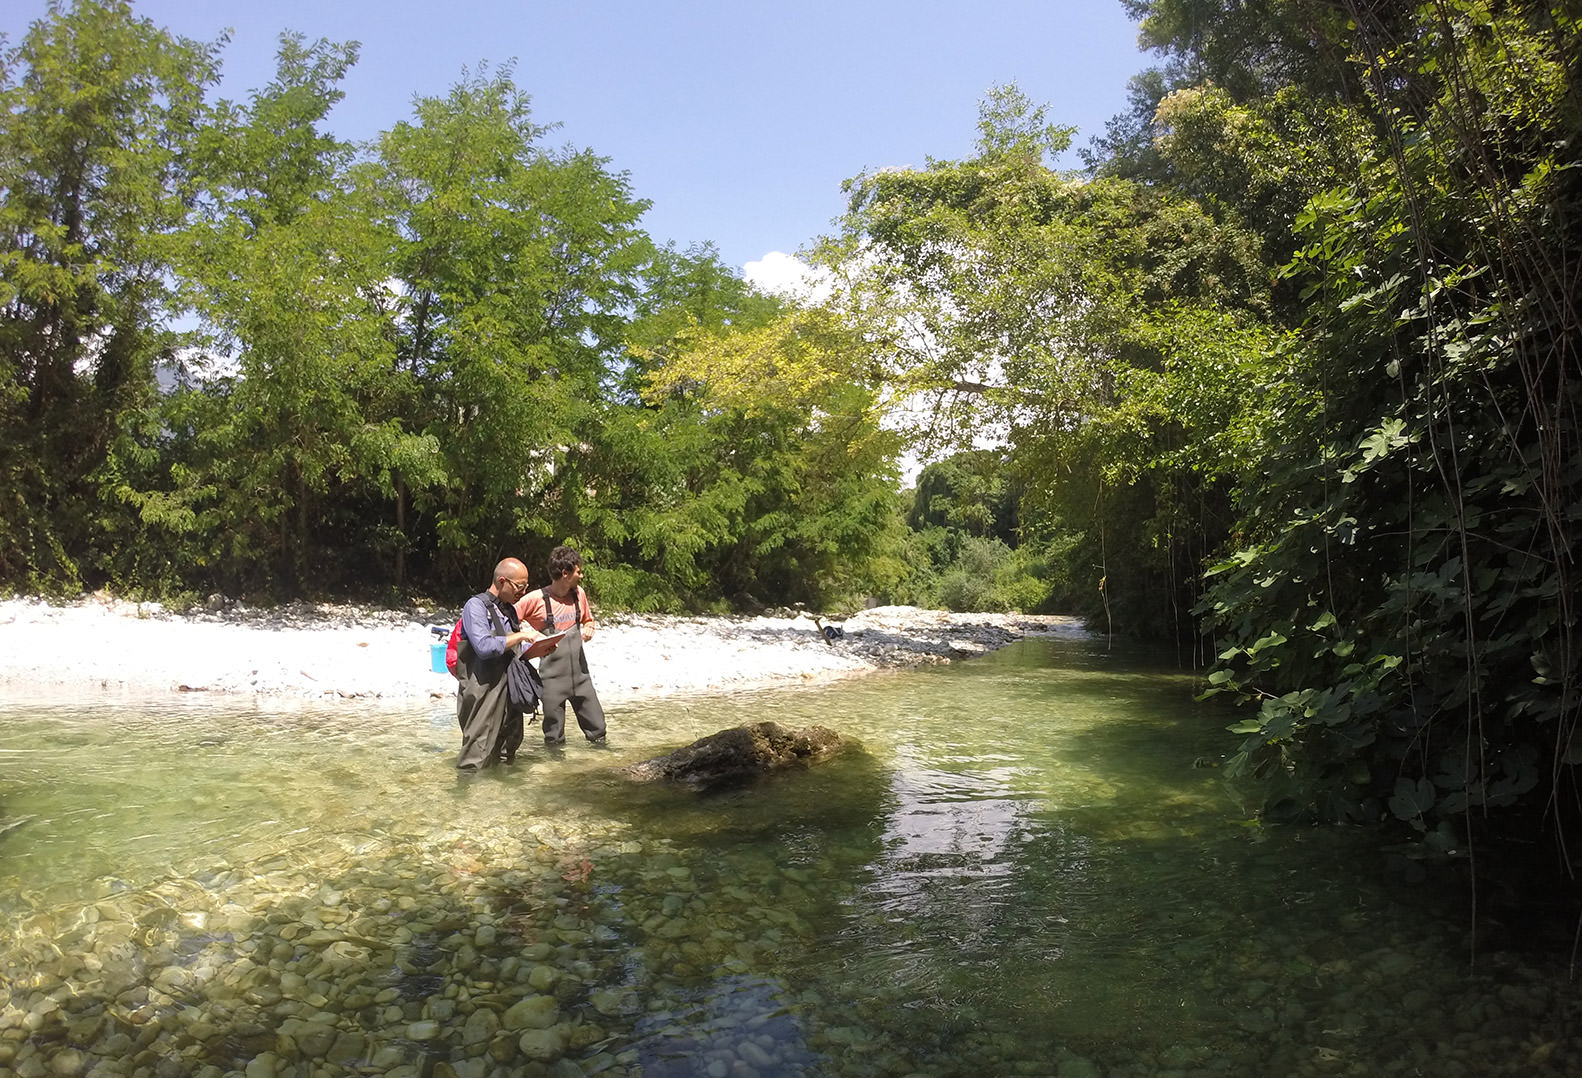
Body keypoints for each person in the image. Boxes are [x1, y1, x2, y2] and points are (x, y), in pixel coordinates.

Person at [516, 545, 607, 746]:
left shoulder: (578, 594)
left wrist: (590, 627)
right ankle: (555, 772)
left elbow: (588, 620)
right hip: (552, 683)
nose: (581, 576)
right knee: (554, 739)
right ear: (565, 574)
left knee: (599, 732)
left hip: (582, 679)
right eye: (578, 571)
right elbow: (508, 619)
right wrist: (525, 636)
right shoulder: (536, 599)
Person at [453, 558, 534, 772]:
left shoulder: (510, 610)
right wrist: (520, 636)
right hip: (483, 692)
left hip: (509, 690)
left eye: (527, 586)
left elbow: (512, 648)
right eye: (520, 586)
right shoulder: (475, 606)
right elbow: (484, 646)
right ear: (501, 581)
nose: (524, 592)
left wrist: (538, 648)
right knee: (475, 758)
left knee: (508, 751)